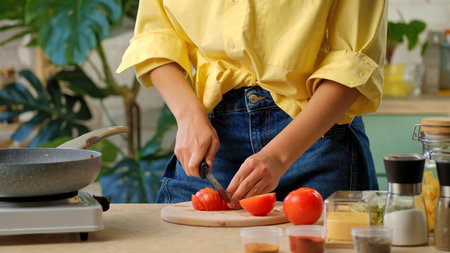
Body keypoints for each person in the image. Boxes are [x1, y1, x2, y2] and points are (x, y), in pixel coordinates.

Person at [117, 0, 388, 208]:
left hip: (316, 138)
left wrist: (280, 156)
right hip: (212, 140)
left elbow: (354, 60)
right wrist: (187, 116)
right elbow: (155, 36)